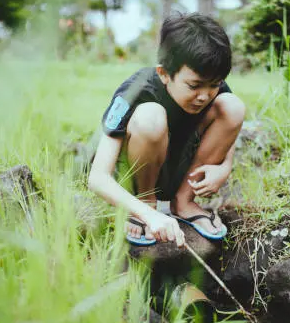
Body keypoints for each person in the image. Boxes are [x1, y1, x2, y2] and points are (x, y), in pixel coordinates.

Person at [87, 13, 245, 248]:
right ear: (164, 73)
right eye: (194, 86)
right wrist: (148, 214)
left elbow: (228, 129)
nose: (204, 96)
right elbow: (97, 178)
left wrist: (224, 168)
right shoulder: (138, 90)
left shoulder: (214, 88)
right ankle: (145, 203)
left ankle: (184, 201)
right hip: (135, 174)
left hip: (179, 171)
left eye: (214, 85)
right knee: (150, 116)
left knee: (233, 105)